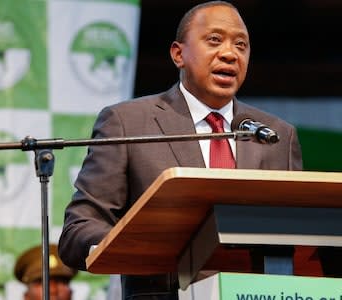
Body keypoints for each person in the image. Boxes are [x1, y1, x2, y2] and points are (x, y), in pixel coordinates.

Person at [58, 1, 303, 299]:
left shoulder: (276, 135)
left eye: (241, 45)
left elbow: (297, 235)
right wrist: (142, 245)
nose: (229, 53)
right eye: (214, 40)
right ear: (178, 54)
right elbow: (78, 231)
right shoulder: (128, 123)